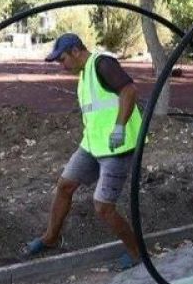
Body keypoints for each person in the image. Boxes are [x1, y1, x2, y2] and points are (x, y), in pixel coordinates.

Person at [25, 33, 144, 269]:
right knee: (65, 185)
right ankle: (51, 238)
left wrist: (119, 126)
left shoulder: (102, 63)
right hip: (92, 144)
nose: (62, 65)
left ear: (76, 51)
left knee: (103, 207)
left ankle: (136, 252)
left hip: (117, 147)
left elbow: (129, 91)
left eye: (63, 59)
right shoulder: (84, 73)